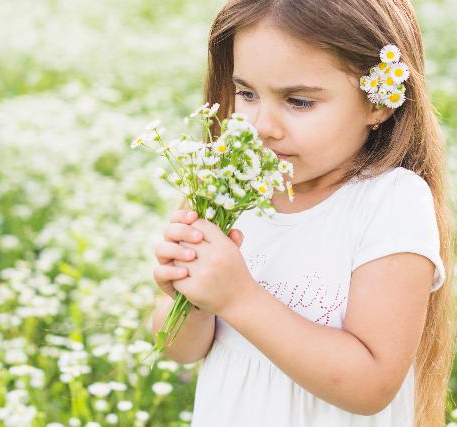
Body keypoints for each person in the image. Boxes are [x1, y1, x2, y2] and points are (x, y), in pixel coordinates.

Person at [150, 1, 455, 426]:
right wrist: (189, 298)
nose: (262, 125)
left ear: (378, 103)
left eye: (298, 101)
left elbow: (371, 386)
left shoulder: (389, 203)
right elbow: (180, 350)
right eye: (247, 94)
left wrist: (239, 298)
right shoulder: (229, 190)